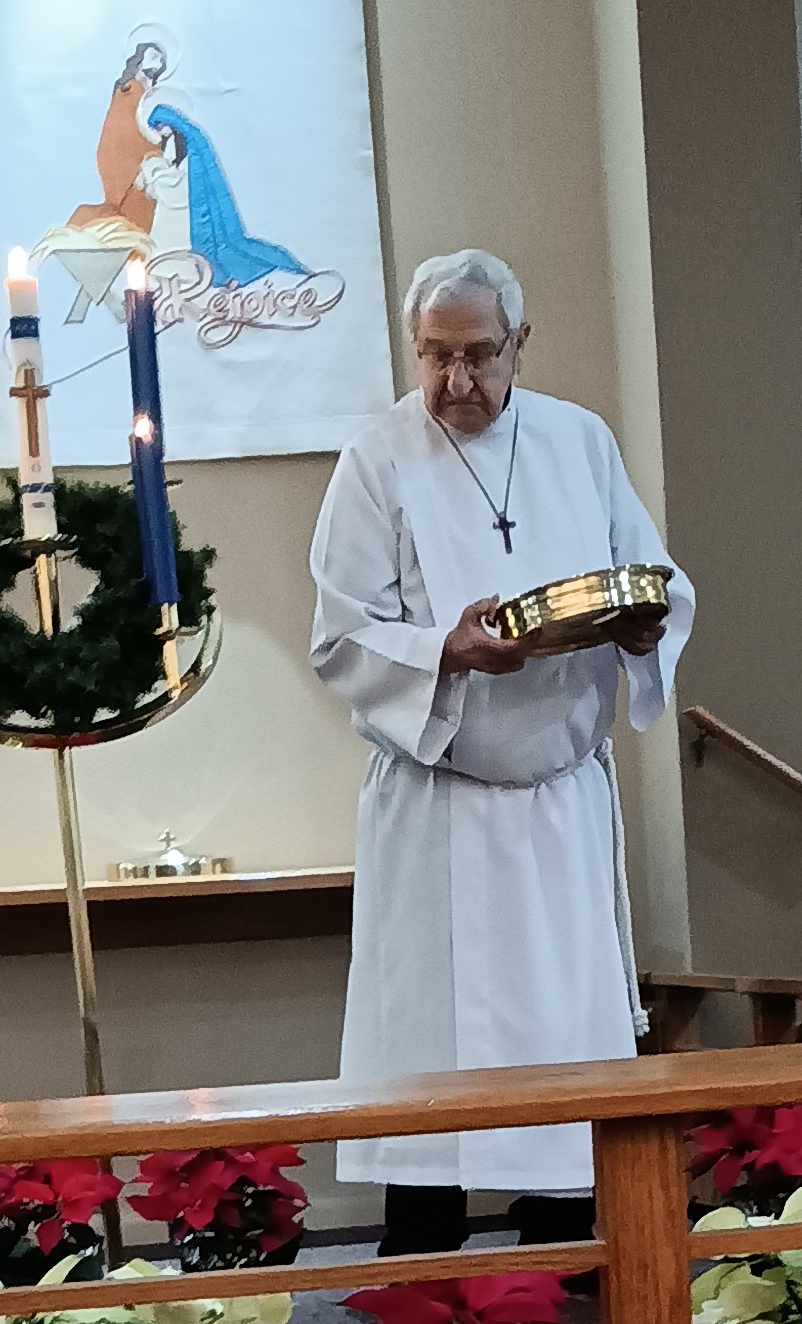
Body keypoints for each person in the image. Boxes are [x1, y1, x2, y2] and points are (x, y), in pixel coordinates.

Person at [309, 248, 694, 1258]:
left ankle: (569, 1245)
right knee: (426, 1044)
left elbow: (649, 575)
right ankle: (422, 1253)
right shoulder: (376, 458)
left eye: (478, 355)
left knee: (563, 1036)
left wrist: (644, 626)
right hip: (437, 801)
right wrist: (444, 648)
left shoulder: (577, 440)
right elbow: (339, 634)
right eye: (435, 356)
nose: (455, 382)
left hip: (558, 805)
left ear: (519, 343)